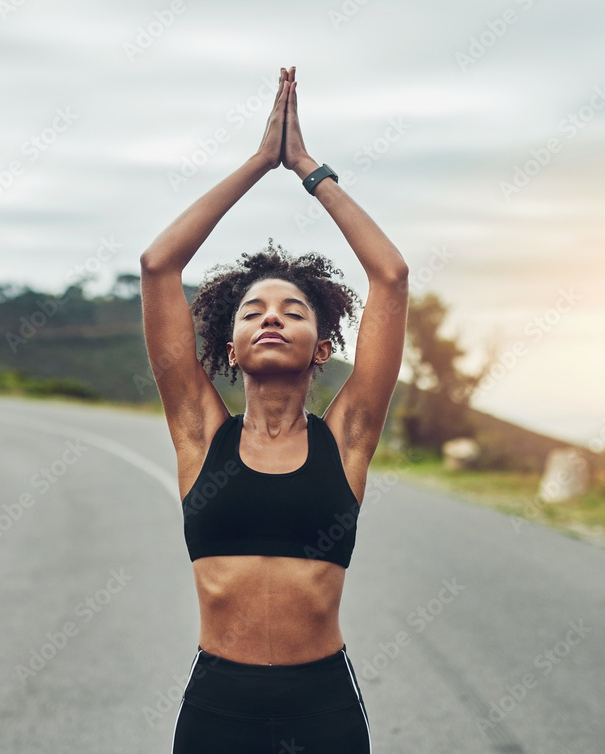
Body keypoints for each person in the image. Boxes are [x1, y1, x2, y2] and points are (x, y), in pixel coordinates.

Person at [140, 65, 409, 754]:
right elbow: (158, 267)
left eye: (293, 312)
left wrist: (309, 170)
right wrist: (259, 162)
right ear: (227, 343)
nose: (271, 318)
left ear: (321, 348)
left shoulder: (347, 439)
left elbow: (391, 276)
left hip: (321, 708)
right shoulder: (200, 434)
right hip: (218, 708)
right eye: (253, 310)